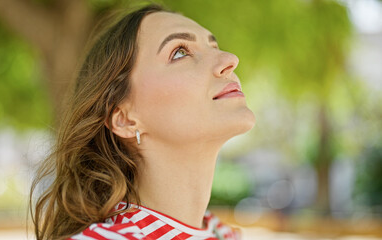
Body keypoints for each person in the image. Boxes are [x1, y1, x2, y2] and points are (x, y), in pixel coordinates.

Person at [30, 3, 255, 240]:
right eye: (179, 52)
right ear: (125, 119)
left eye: (214, 46)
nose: (230, 59)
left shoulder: (223, 234)